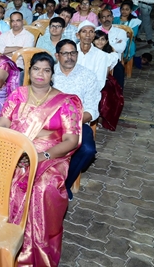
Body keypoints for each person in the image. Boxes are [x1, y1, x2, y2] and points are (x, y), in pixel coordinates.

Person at [0, 53, 83, 266]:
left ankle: (37, 251)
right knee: (1, 178)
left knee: (43, 188)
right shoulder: (17, 95)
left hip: (51, 156)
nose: (40, 74)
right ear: (29, 71)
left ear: (52, 74)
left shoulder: (65, 102)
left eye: (46, 70)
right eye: (36, 69)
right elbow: (3, 123)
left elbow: (71, 140)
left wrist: (41, 156)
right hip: (17, 150)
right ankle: (6, 243)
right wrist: (13, 150)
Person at [52, 39, 101, 200]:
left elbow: (92, 109)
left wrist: (72, 123)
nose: (70, 57)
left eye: (73, 53)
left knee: (87, 150)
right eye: (65, 53)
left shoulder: (88, 76)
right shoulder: (49, 73)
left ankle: (64, 184)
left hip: (77, 123)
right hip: (49, 123)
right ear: (57, 56)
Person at [76, 21, 117, 89]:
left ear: (94, 35)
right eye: (84, 31)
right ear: (78, 35)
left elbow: (100, 81)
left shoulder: (101, 56)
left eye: (91, 32)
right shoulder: (70, 52)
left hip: (92, 91)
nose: (88, 35)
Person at [97, 9, 127, 89]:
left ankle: (118, 93)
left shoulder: (121, 32)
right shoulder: (95, 31)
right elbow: (94, 47)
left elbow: (121, 48)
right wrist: (113, 45)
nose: (106, 19)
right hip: (98, 58)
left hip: (114, 59)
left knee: (119, 69)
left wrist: (103, 46)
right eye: (103, 17)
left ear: (112, 17)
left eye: (108, 16)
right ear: (99, 20)